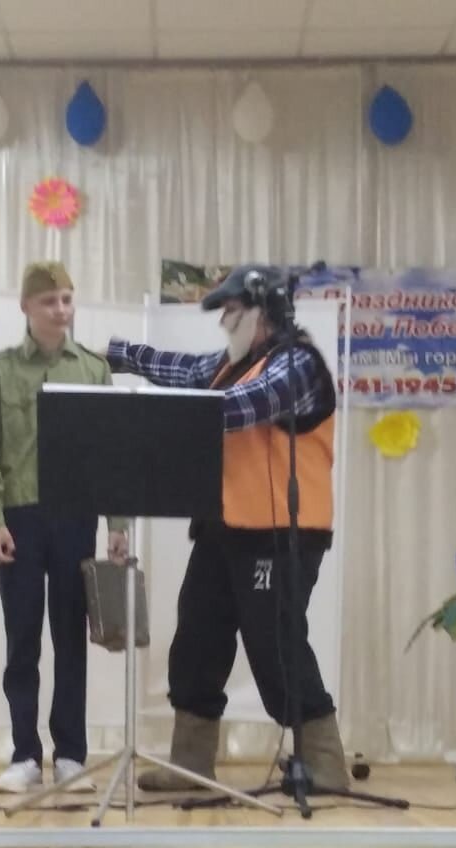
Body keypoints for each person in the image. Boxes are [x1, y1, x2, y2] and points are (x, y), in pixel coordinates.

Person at [106, 264, 350, 792]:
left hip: (280, 530)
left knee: (276, 646)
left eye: (232, 312)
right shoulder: (233, 364)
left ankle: (327, 765)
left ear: (264, 311)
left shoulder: (298, 364)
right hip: (223, 527)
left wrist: (147, 417)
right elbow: (186, 371)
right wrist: (118, 353)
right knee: (196, 641)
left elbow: (239, 408)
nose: (223, 323)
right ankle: (191, 763)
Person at [0, 261, 128, 794]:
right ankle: (24, 755)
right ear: (26, 307)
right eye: (48, 301)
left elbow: (111, 453)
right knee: (22, 638)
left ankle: (71, 756)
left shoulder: (93, 370)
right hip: (19, 518)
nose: (61, 310)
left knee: (70, 638)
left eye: (66, 299)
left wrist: (117, 522)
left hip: (75, 515)